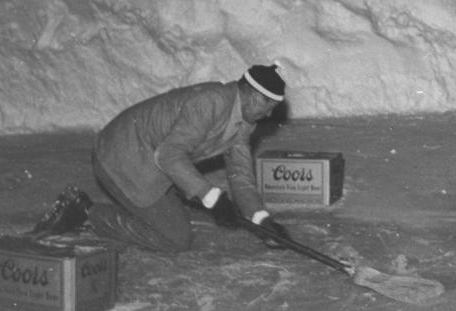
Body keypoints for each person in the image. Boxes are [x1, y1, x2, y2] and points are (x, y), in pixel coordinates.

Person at [31, 64, 290, 252]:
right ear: (255, 96)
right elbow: (168, 154)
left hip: (155, 165)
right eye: (268, 108)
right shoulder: (210, 102)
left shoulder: (245, 121)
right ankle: (86, 211)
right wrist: (211, 197)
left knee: (173, 220)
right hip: (122, 157)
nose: (268, 115)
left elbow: (240, 175)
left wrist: (261, 219)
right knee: (174, 239)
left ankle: (139, 206)